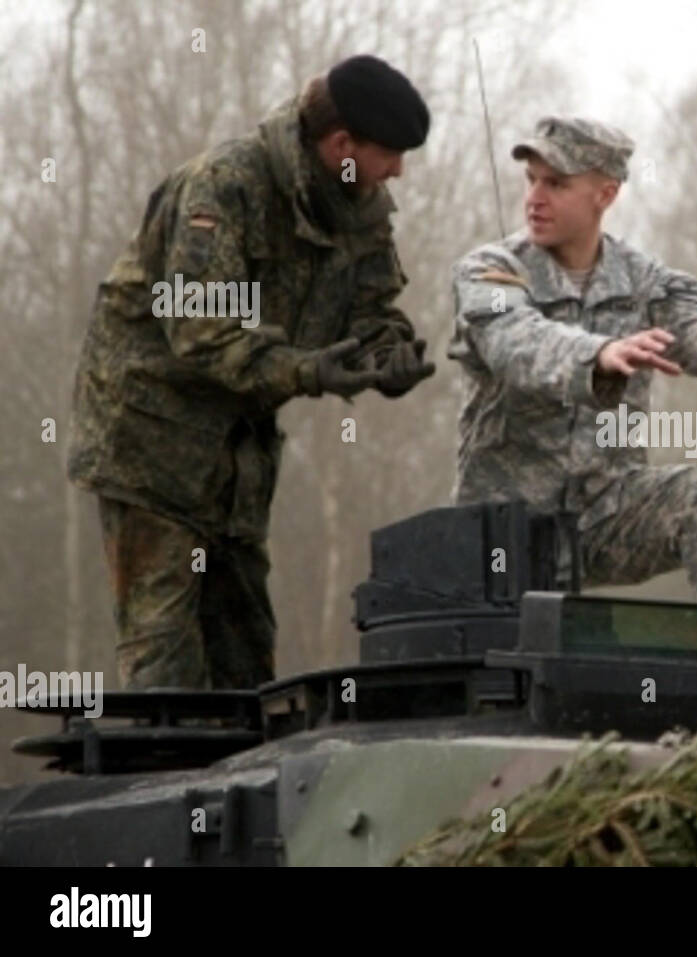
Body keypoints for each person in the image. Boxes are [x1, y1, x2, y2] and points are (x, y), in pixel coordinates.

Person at [68, 55, 436, 689]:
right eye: (391, 153)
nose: (398, 170)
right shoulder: (224, 187)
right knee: (167, 665)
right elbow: (202, 334)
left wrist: (389, 357)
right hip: (150, 446)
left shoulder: (359, 204)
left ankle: (235, 783)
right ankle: (163, 780)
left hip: (238, 457)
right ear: (343, 145)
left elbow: (371, 309)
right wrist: (308, 372)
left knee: (244, 660)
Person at [448, 115, 697, 662]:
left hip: (604, 517)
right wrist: (594, 354)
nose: (535, 197)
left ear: (605, 193)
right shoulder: (491, 272)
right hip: (506, 538)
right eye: (531, 180)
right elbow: (513, 340)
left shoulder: (642, 282)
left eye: (556, 183)